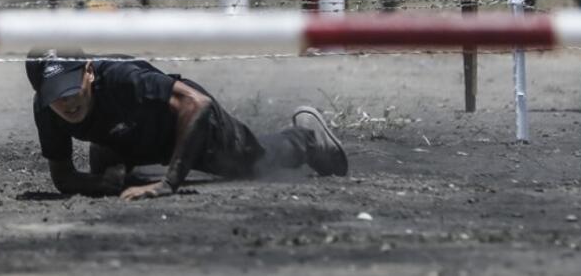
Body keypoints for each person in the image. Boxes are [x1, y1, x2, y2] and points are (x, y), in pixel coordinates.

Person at [26, 50, 348, 200]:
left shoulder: (122, 78)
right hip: (127, 135)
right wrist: (100, 183)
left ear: (89, 71)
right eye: (56, 96)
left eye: (72, 89)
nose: (67, 103)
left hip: (186, 124)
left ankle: (305, 137)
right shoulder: (47, 109)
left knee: (253, 164)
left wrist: (169, 182)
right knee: (109, 174)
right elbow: (64, 177)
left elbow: (196, 103)